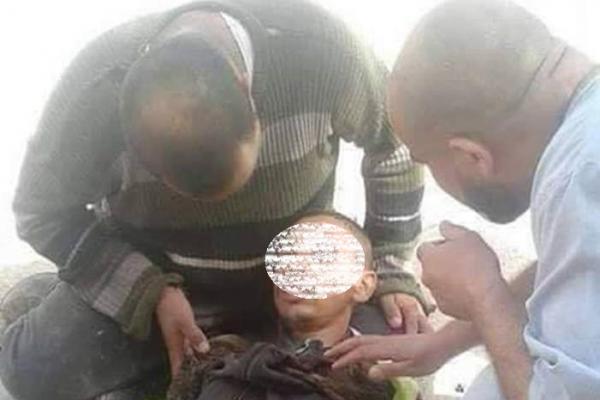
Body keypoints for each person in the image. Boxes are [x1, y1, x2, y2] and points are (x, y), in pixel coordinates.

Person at [0, 1, 429, 399]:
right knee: (31, 374)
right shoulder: (90, 96)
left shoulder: (325, 52)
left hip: (289, 285)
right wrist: (147, 291)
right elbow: (40, 214)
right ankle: (50, 299)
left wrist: (390, 263)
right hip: (159, 283)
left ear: (247, 91)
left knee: (394, 356)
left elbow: (397, 144)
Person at [325, 1, 600, 399]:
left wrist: (484, 296)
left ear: (472, 156)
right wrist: (443, 343)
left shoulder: (580, 178)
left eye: (426, 160)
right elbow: (572, 265)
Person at [166, 211, 419, 400]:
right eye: (287, 257)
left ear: (362, 285)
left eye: (321, 256)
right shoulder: (220, 355)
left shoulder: (388, 377)